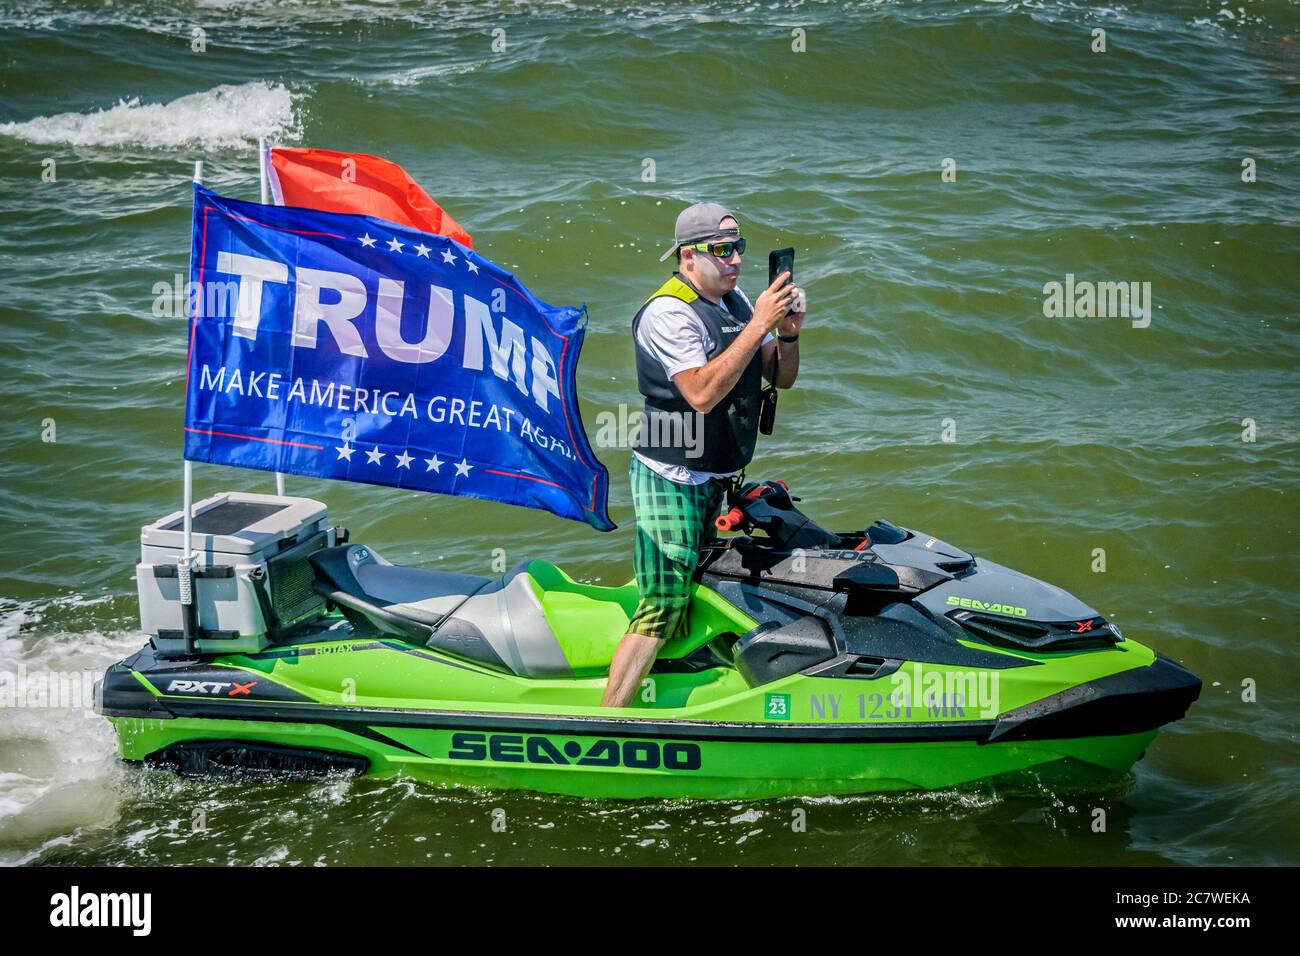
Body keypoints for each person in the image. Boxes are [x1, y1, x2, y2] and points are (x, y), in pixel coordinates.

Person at [601, 202, 806, 707]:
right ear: (688, 256)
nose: (735, 259)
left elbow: (780, 377)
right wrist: (759, 323)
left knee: (705, 580)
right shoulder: (667, 312)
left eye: (739, 248)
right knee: (665, 599)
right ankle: (609, 719)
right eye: (722, 249)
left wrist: (788, 333)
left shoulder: (735, 303)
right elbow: (701, 393)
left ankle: (678, 684)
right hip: (669, 473)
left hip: (716, 474)